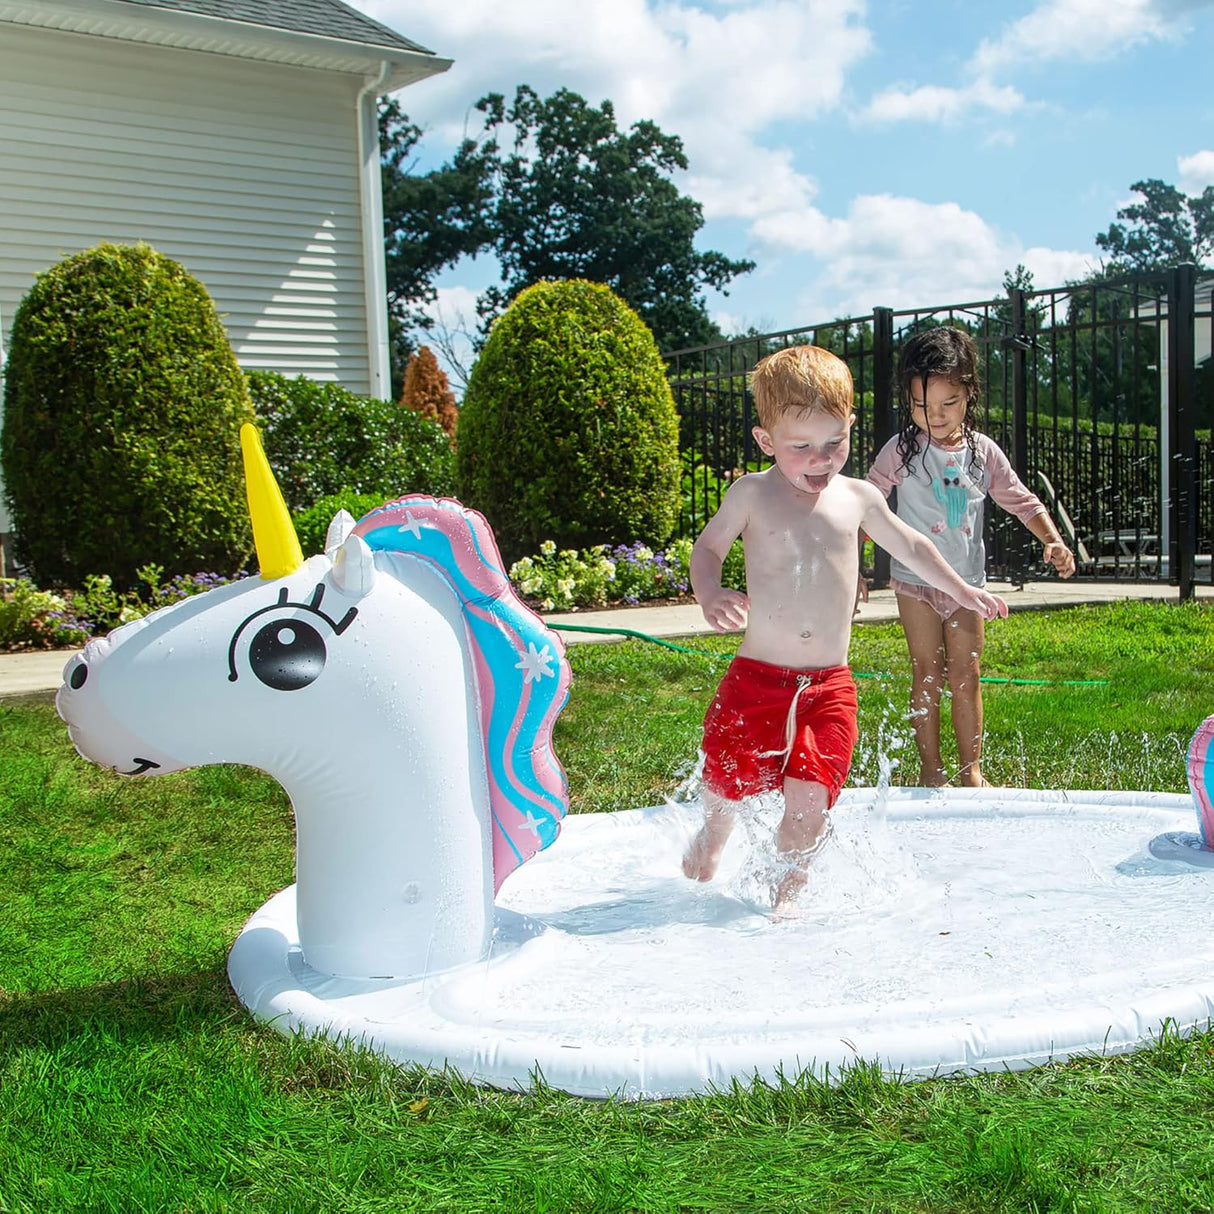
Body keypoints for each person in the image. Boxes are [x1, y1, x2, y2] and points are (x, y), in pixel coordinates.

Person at [681, 344, 1008, 912]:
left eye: (835, 443)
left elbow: (911, 544)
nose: (820, 459)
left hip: (828, 688)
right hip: (756, 677)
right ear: (766, 442)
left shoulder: (857, 497)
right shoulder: (752, 493)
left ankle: (786, 900)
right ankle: (713, 837)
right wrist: (710, 591)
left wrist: (961, 589)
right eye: (801, 447)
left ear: (851, 427)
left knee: (809, 803)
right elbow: (707, 549)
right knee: (725, 787)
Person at [865, 326, 1075, 789]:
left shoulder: (982, 454)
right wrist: (855, 566)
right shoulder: (902, 451)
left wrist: (1052, 538)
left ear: (969, 394)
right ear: (907, 397)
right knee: (927, 670)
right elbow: (866, 505)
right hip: (915, 583)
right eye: (921, 405)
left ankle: (971, 771)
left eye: (947, 403)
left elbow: (1022, 500)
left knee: (967, 673)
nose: (933, 416)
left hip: (967, 585)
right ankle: (930, 768)